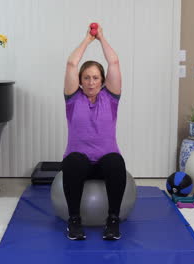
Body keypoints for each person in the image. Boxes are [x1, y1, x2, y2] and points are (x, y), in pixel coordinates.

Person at [62, 24, 127, 241]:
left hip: (105, 164)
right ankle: (74, 221)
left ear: (103, 80)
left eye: (96, 78)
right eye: (86, 78)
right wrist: (87, 40)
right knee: (73, 161)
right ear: (80, 81)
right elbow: (72, 63)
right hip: (79, 164)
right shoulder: (73, 99)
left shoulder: (110, 98)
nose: (91, 82)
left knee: (116, 162)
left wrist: (101, 38)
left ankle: (113, 221)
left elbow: (114, 62)